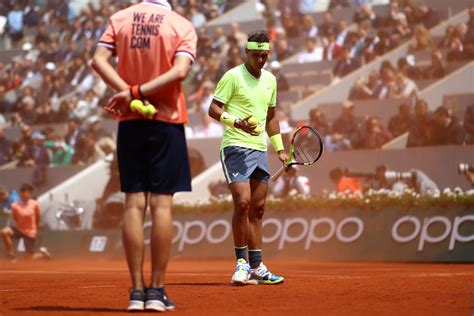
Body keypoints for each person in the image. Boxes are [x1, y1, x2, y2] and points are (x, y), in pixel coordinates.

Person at [92, 0, 197, 312]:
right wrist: (137, 93)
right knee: (161, 205)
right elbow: (180, 71)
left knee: (134, 204)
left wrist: (127, 92)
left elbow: (98, 61)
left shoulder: (120, 18)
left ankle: (136, 292)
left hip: (131, 124)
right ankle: (157, 291)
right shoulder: (180, 24)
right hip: (166, 121)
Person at [208, 30, 288, 285]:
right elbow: (214, 109)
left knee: (258, 208)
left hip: (259, 149)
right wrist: (236, 123)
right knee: (242, 203)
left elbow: (271, 117)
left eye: (265, 55)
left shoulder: (271, 80)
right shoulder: (232, 76)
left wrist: (280, 149)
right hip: (234, 147)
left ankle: (257, 266)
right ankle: (241, 263)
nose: (261, 60)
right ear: (247, 53)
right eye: (256, 55)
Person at [1, 184, 51, 262]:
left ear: (30, 194)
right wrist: (20, 225)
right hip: (19, 229)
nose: (24, 194)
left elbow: (38, 217)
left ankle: (43, 255)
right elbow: (15, 217)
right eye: (22, 192)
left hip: (30, 232)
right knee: (4, 232)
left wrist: (35, 229)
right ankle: (11, 255)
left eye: (26, 193)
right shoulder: (14, 205)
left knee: (28, 258)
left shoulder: (35, 204)